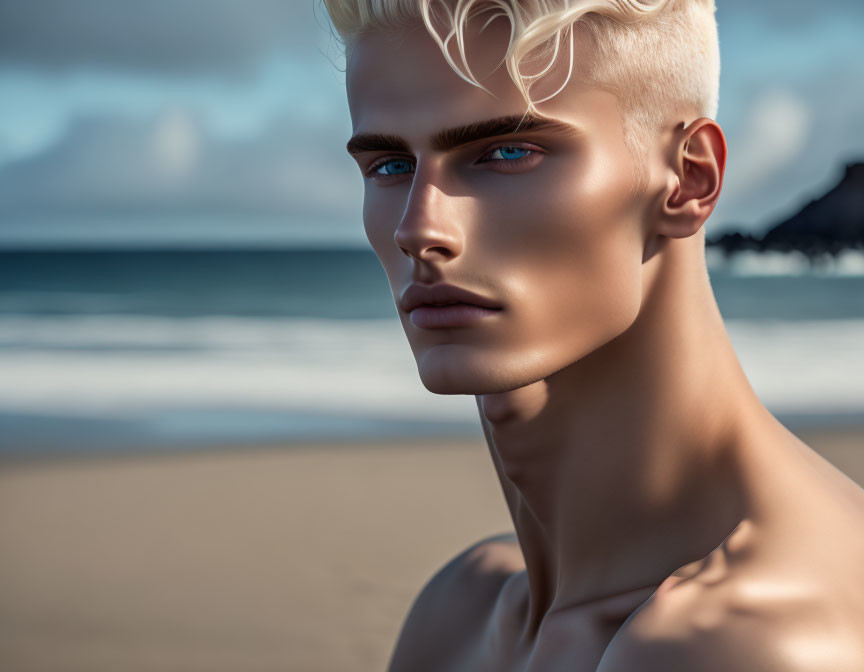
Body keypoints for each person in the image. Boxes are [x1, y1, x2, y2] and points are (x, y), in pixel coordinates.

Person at [321, 0, 864, 669]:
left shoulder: (747, 641)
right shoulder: (459, 613)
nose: (419, 228)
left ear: (689, 177)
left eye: (509, 151)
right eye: (390, 166)